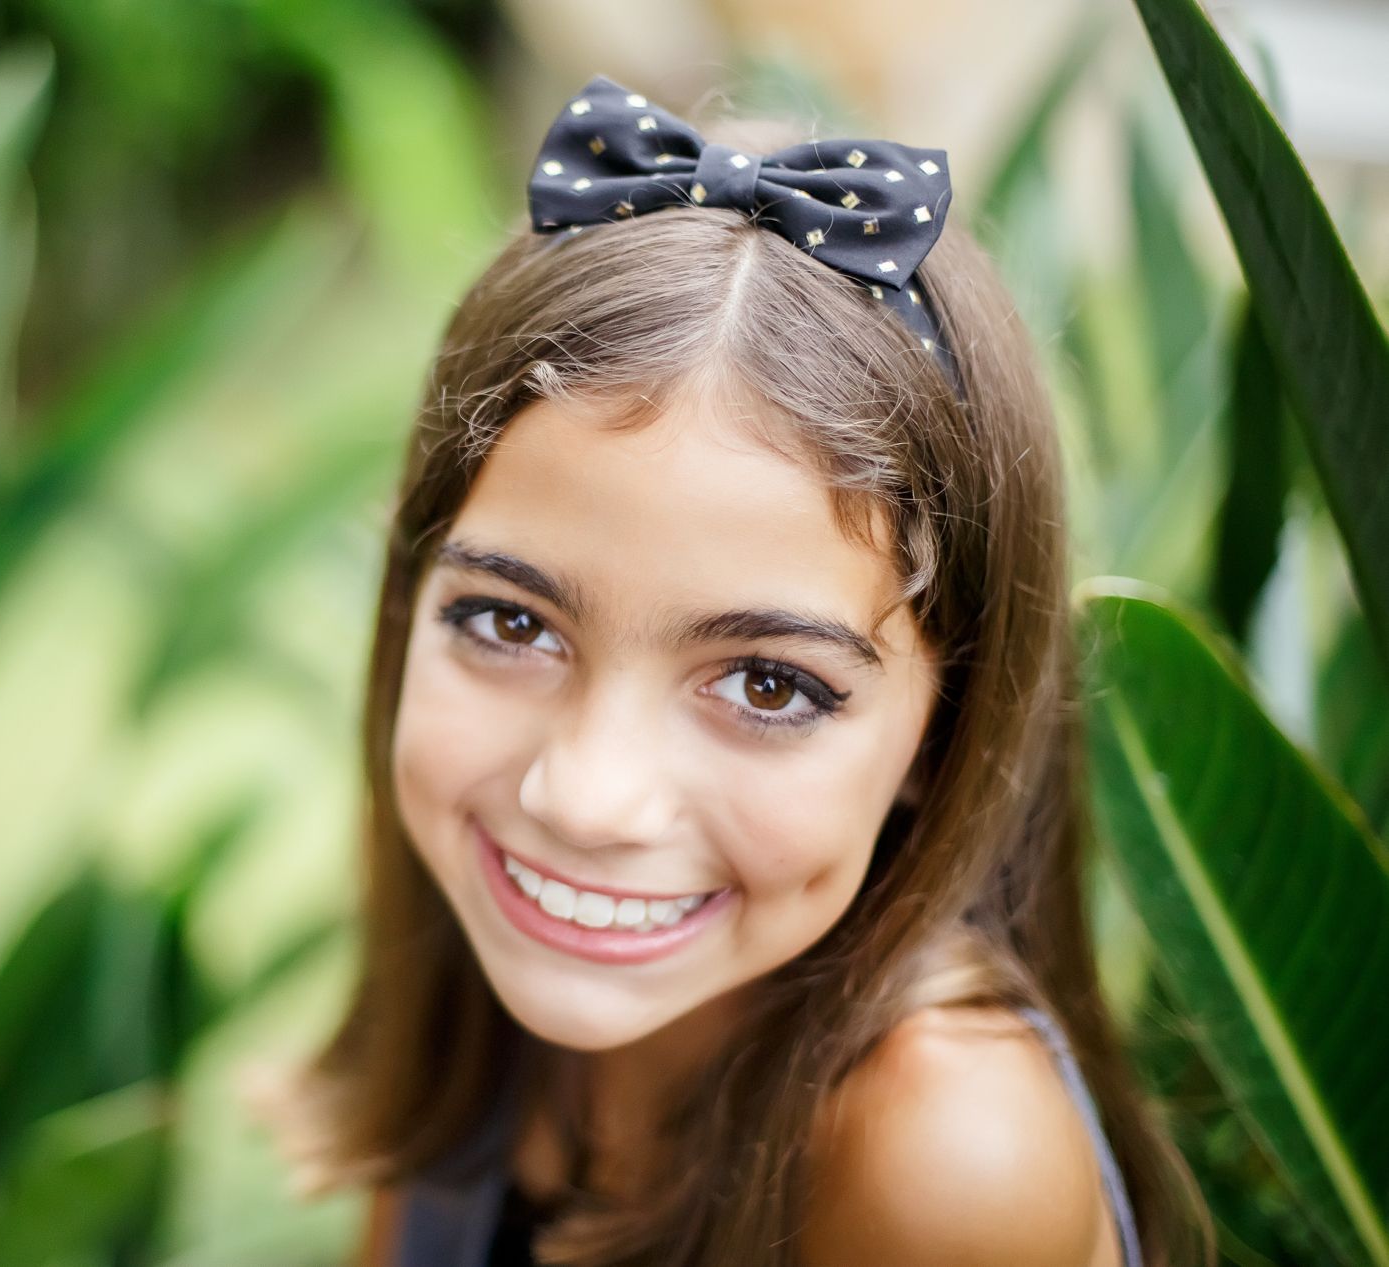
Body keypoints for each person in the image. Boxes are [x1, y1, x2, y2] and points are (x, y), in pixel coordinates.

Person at [243, 74, 1213, 1266]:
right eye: (508, 624)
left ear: (940, 731)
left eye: (767, 685)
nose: (584, 798)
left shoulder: (946, 1153)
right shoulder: (494, 970)